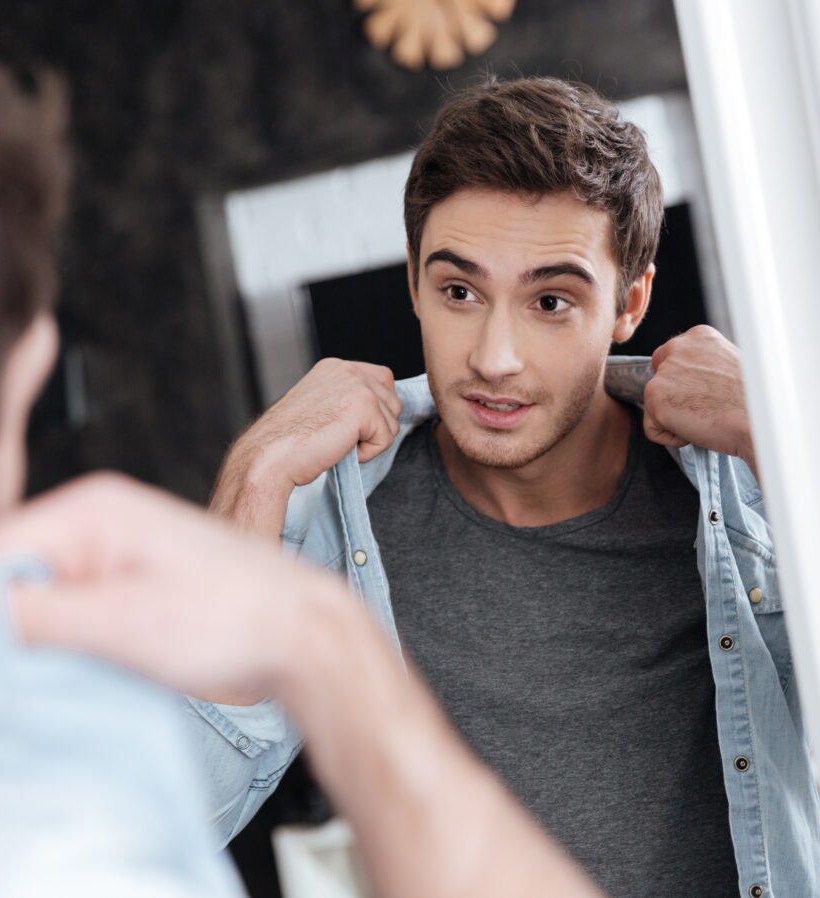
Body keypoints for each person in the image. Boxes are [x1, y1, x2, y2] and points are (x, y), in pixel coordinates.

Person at [0, 3, 606, 896]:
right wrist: (324, 642)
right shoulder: (22, 834)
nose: (496, 354)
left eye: (552, 301)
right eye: (29, 393)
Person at [191, 78, 819, 898]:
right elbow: (156, 820)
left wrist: (782, 440)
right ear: (413, 283)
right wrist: (255, 470)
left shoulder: (743, 488)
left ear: (630, 304)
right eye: (460, 291)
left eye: (551, 301)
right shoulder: (333, 524)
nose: (495, 357)